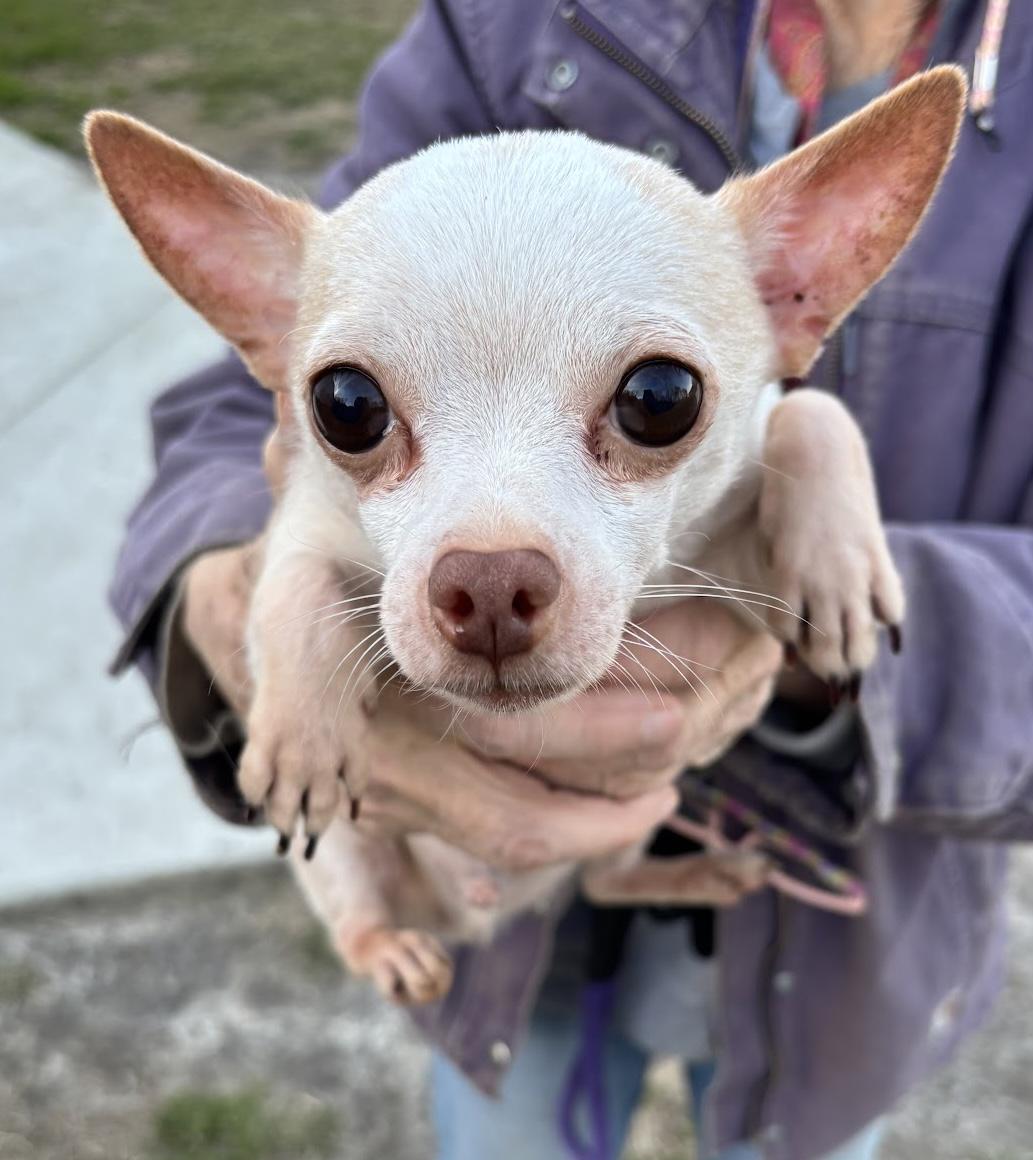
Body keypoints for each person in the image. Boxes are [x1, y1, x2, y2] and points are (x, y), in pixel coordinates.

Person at [109, 1, 1033, 1157]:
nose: (490, 572)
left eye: (651, 406)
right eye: (357, 412)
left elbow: (786, 428)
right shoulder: (509, 26)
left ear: (804, 284)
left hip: (851, 970)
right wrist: (227, 610)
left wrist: (829, 655)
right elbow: (216, 438)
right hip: (503, 969)